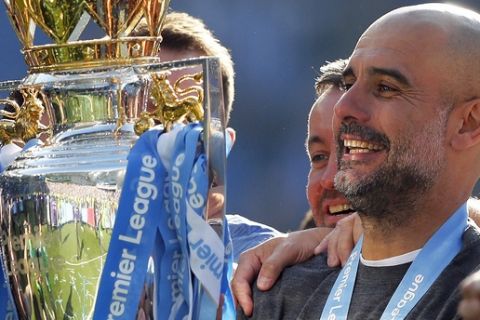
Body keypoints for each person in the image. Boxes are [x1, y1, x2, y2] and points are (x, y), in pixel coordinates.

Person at [236, 3, 480, 319]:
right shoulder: (275, 290)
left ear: (468, 123)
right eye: (351, 83)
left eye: (385, 88)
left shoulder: (471, 298)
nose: (344, 106)